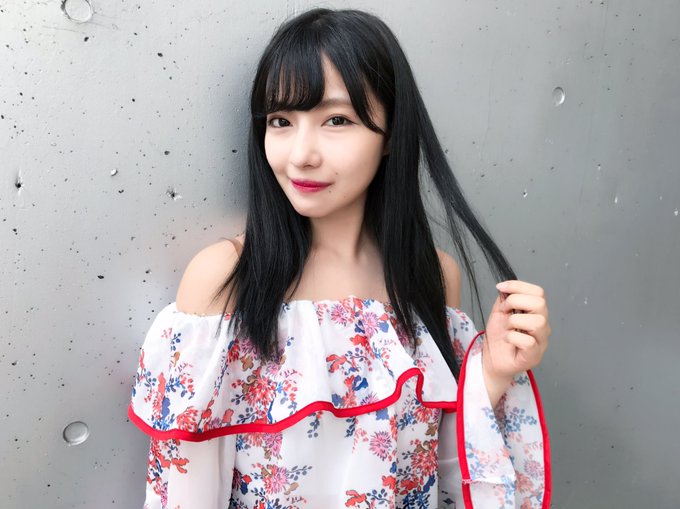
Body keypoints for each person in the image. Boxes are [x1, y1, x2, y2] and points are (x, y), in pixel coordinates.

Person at [128, 7, 552, 509]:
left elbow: (434, 465)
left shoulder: (432, 277)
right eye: (281, 121)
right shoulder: (227, 278)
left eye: (336, 120)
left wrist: (493, 372)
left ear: (392, 134)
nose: (301, 154)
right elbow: (185, 491)